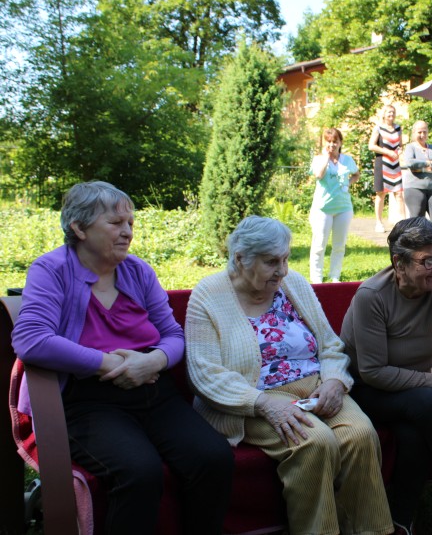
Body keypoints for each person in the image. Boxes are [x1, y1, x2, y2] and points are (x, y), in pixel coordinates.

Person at [11, 181, 233, 535]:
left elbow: (173, 335)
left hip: (152, 388)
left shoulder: (138, 271)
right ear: (79, 228)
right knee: (138, 472)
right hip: (89, 401)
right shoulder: (51, 270)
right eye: (115, 223)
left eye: (130, 223)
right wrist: (107, 363)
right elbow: (31, 338)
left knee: (213, 458)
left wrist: (155, 361)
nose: (127, 232)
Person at [185, 216, 392, 535]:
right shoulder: (209, 295)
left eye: (284, 259)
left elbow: (329, 343)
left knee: (360, 435)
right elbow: (205, 374)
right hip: (254, 397)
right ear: (240, 259)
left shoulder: (292, 283)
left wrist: (335, 381)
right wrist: (264, 403)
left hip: (315, 386)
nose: (282, 270)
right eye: (271, 262)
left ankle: (370, 531)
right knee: (315, 442)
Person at [339, 216, 432, 535]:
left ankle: (401, 522)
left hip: (410, 393)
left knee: (413, 435)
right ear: (400, 262)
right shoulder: (373, 297)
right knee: (429, 403)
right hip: (367, 391)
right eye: (429, 260)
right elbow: (373, 371)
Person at [308, 127, 360, 283]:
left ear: (340, 142)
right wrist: (326, 158)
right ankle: (316, 278)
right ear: (325, 143)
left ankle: (334, 275)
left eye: (335, 141)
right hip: (323, 208)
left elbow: (356, 174)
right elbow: (318, 174)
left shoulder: (347, 160)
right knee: (319, 245)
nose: (332, 145)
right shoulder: (319, 159)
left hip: (343, 208)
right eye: (328, 142)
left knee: (339, 245)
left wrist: (348, 184)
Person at [401, 120, 432, 228]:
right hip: (414, 188)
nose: (422, 135)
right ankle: (417, 244)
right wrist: (429, 164)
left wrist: (421, 167)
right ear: (414, 133)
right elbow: (411, 163)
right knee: (417, 220)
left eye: (425, 132)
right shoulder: (410, 147)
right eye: (419, 132)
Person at [369, 104, 405, 233]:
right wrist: (387, 152)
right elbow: (371, 146)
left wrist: (399, 152)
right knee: (381, 193)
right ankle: (379, 222)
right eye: (389, 112)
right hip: (382, 163)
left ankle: (403, 222)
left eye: (393, 112)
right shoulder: (378, 128)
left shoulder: (398, 128)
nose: (391, 115)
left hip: (395, 164)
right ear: (384, 114)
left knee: (399, 193)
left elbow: (400, 145)